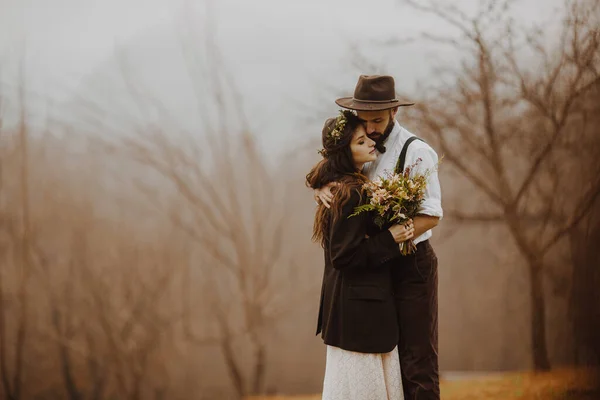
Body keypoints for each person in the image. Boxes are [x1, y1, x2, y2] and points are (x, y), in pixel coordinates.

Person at [315, 75, 443, 400]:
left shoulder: (417, 152)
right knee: (391, 358)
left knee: (417, 360)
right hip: (376, 264)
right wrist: (322, 187)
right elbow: (335, 170)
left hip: (412, 265)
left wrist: (396, 234)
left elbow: (432, 214)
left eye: (378, 120)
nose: (371, 129)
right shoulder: (360, 145)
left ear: (394, 112)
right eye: (365, 121)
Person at [306, 110, 414, 400]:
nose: (370, 144)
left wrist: (315, 184)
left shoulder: (341, 183)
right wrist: (390, 239)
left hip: (349, 309)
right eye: (360, 141)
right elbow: (343, 257)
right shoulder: (351, 192)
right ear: (345, 152)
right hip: (359, 314)